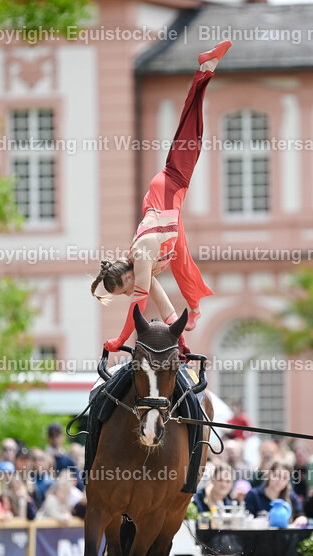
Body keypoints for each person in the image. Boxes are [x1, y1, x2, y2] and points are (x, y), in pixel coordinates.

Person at [91, 41, 233, 355]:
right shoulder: (144, 268)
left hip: (168, 189)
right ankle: (195, 307)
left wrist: (119, 340)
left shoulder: (141, 257)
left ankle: (204, 69)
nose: (130, 292)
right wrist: (181, 341)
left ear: (127, 275)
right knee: (183, 263)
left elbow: (139, 305)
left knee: (191, 132)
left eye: (125, 288)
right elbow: (163, 304)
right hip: (167, 214)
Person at [244, 461, 306, 525]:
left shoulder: (291, 496)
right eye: (277, 475)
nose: (280, 480)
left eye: (284, 478)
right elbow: (246, 519)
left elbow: (301, 515)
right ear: (269, 474)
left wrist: (301, 519)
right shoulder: (253, 495)